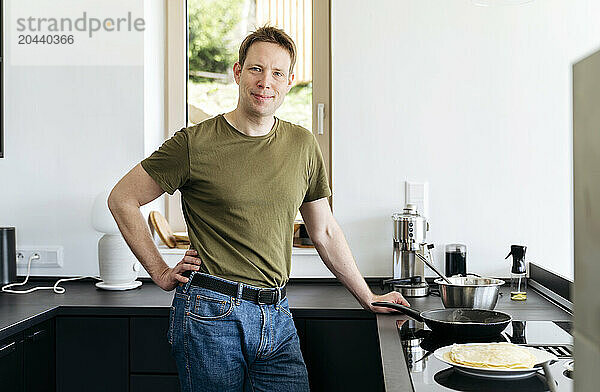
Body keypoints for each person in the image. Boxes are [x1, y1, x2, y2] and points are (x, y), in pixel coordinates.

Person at [108, 25, 408, 392]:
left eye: (277, 73)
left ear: (289, 82)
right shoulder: (194, 143)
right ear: (238, 72)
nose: (266, 81)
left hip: (277, 314)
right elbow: (122, 197)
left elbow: (325, 230)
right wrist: (158, 271)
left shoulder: (302, 145)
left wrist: (367, 296)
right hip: (210, 313)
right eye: (256, 69)